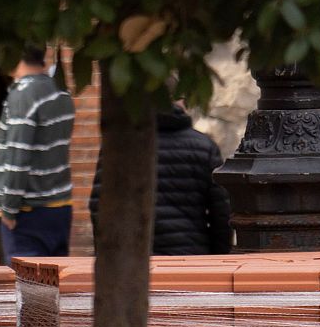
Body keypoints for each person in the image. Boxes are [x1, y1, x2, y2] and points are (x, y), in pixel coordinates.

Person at [88, 102, 233, 255]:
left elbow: (99, 205)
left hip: (131, 259)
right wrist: (217, 255)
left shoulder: (119, 145)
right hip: (190, 256)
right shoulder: (205, 147)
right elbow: (221, 212)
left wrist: (108, 252)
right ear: (181, 102)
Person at [0, 46, 75, 262]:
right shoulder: (60, 90)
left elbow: (18, 156)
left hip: (28, 210)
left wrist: (9, 210)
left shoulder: (23, 95)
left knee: (28, 287)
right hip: (60, 205)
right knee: (54, 281)